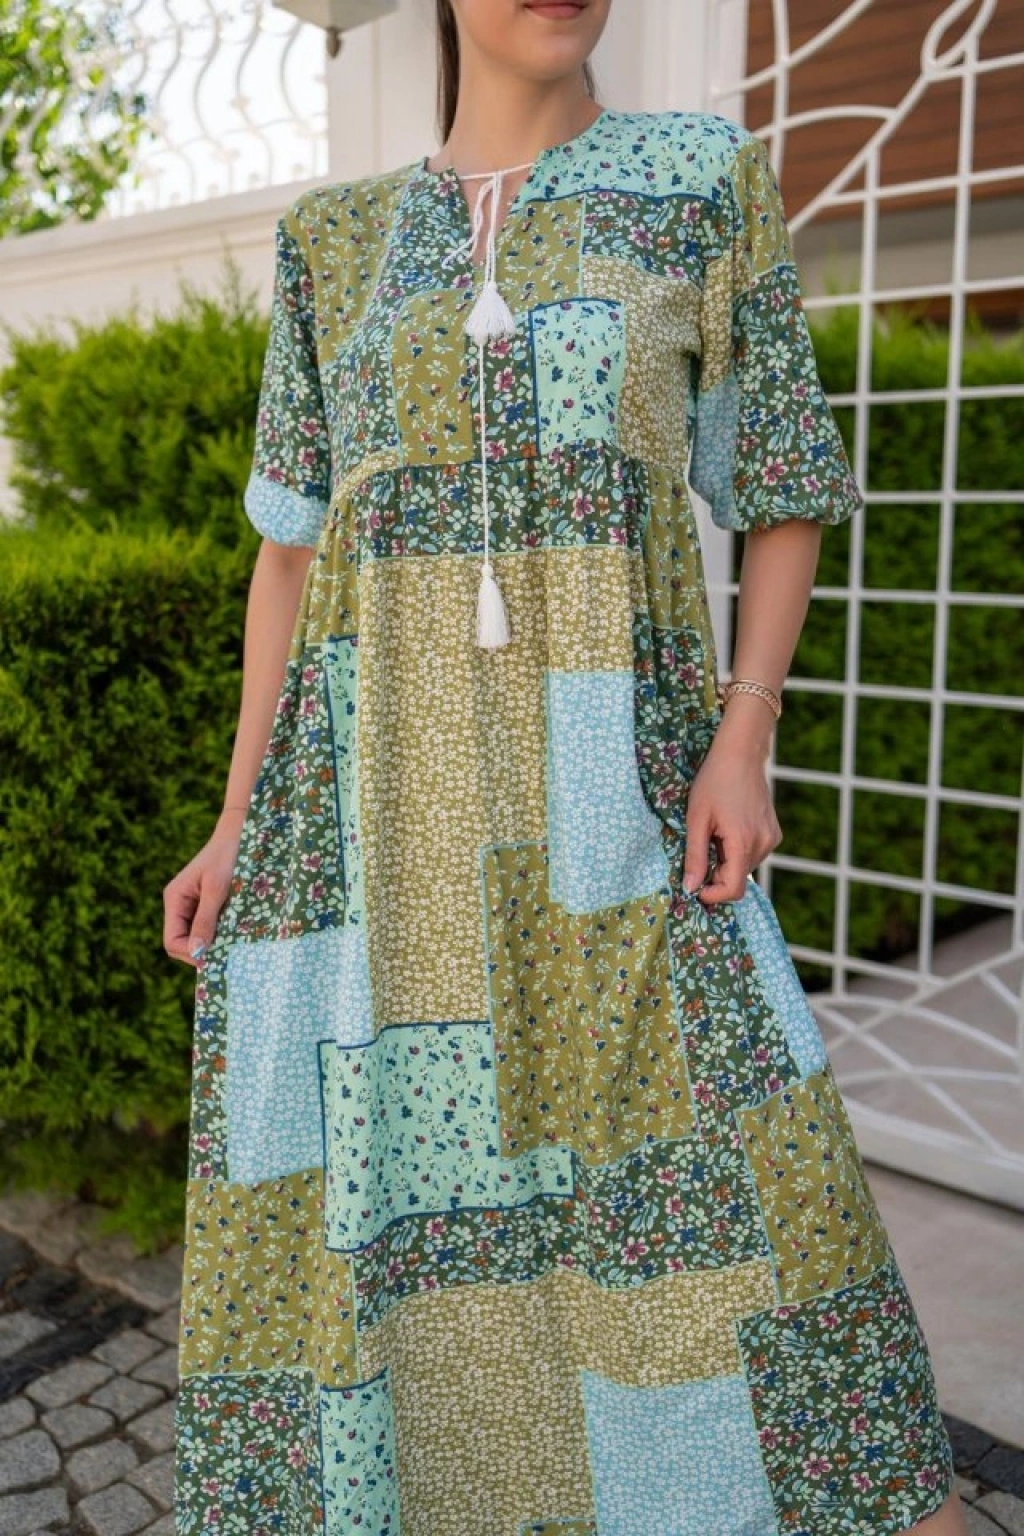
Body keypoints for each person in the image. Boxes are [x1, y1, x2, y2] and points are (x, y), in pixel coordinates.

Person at [164, 1, 969, 1531]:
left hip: (626, 829)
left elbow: (780, 482)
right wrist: (234, 819)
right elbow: (291, 552)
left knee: (779, 1228)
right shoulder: (333, 241)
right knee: (414, 1262)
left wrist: (744, 737)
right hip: (377, 851)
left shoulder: (699, 180)